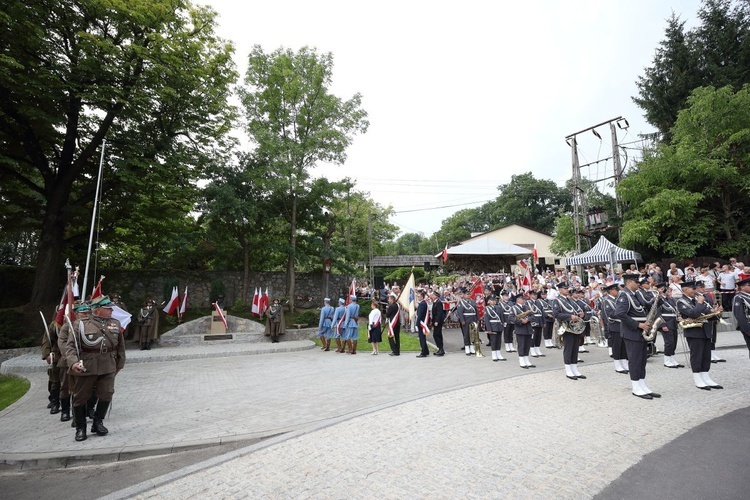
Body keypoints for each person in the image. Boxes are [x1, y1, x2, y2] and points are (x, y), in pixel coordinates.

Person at [65, 295, 126, 442]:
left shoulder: (115, 324)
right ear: (97, 310)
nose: (111, 310)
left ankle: (98, 422)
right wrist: (73, 363)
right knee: (81, 398)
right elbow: (71, 347)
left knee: (106, 394)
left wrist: (119, 364)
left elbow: (120, 347)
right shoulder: (80, 324)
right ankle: (80, 428)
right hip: (87, 366)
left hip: (108, 365)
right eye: (107, 308)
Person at [613, 274, 660, 399]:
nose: (638, 283)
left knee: (642, 360)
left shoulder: (636, 294)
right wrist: (638, 324)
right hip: (632, 332)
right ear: (629, 282)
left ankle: (642, 385)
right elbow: (620, 314)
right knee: (635, 360)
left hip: (641, 331)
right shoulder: (624, 295)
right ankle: (636, 387)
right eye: (636, 281)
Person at [676, 282, 723, 390]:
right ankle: (698, 379)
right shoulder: (681, 302)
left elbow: (706, 313)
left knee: (706, 356)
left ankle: (706, 377)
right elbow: (693, 314)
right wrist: (700, 303)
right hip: (694, 332)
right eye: (692, 289)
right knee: (697, 355)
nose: (695, 291)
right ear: (685, 290)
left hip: (705, 330)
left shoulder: (698, 300)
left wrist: (715, 312)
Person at [552, 283, 586, 380]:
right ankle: (568, 370)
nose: (567, 290)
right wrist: (570, 317)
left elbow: (573, 311)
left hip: (574, 327)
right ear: (560, 290)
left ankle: (574, 369)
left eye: (567, 288)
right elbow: (556, 314)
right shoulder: (557, 300)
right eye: (564, 288)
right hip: (566, 327)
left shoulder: (569, 300)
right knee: (568, 348)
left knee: (575, 348)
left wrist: (579, 314)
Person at [695, 281, 724, 363]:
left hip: (711, 317)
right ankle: (709, 355)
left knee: (713, 336)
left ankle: (713, 353)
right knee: (708, 337)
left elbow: (711, 304)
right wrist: (711, 311)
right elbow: (700, 308)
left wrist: (717, 309)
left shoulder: (706, 295)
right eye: (702, 287)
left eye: (704, 287)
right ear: (697, 288)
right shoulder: (696, 296)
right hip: (705, 318)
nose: (704, 288)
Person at [657, 283, 683, 369]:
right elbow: (658, 313)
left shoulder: (671, 300)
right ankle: (667, 360)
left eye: (670, 291)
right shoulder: (660, 300)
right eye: (668, 291)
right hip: (666, 322)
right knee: (669, 342)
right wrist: (662, 324)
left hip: (673, 322)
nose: (669, 292)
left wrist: (678, 317)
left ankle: (672, 358)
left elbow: (675, 311)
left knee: (674, 342)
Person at [41, 319, 61, 414]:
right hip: (57, 355)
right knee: (55, 381)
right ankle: (55, 403)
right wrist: (47, 354)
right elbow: (46, 340)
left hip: (73, 356)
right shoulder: (55, 324)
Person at [511, 295, 535, 369]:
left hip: (528, 329)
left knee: (527, 345)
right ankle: (521, 361)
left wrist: (528, 319)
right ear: (518, 300)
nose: (524, 300)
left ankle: (527, 360)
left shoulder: (527, 307)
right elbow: (511, 318)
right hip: (520, 329)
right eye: (523, 299)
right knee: (521, 345)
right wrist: (520, 321)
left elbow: (533, 316)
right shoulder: (514, 308)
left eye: (524, 299)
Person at [456, 288, 478, 356]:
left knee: (472, 334)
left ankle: (472, 348)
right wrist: (462, 320)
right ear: (464, 295)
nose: (468, 295)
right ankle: (467, 348)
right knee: (466, 334)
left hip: (473, 319)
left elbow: (476, 311)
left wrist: (477, 319)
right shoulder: (461, 302)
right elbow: (460, 312)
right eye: (466, 294)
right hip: (466, 320)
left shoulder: (473, 302)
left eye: (469, 294)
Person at [484, 295, 506, 361]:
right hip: (492, 326)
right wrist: (489, 329)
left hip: (499, 325)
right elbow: (487, 320)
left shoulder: (499, 308)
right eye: (492, 300)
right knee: (493, 341)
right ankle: (494, 355)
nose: (493, 301)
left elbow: (502, 317)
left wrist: (503, 325)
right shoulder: (487, 308)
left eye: (494, 300)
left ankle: (498, 354)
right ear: (489, 301)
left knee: (499, 341)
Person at [732, 278, 750, 358]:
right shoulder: (739, 297)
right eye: (749, 285)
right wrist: (747, 329)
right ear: (742, 287)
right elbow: (739, 315)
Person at [528, 290, 545, 358]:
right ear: (530, 295)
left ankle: (537, 349)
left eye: (535, 295)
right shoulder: (528, 303)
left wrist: (544, 322)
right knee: (533, 336)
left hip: (540, 320)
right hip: (533, 321)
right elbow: (528, 313)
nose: (535, 296)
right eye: (533, 295)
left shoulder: (538, 302)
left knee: (538, 336)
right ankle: (532, 350)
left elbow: (542, 312)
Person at [430, 290, 445, 356]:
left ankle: (441, 349)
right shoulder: (435, 302)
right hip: (435, 320)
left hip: (438, 321)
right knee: (437, 334)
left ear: (436, 296)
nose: (432, 296)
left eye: (433, 295)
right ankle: (440, 349)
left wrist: (437, 321)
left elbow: (439, 313)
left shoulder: (438, 303)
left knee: (436, 335)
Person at [415, 291, 430, 358]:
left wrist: (417, 323)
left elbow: (420, 315)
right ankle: (426, 351)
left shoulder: (422, 304)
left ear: (422, 297)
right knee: (423, 337)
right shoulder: (424, 303)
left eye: (418, 296)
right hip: (423, 322)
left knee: (422, 338)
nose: (417, 297)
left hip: (421, 323)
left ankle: (423, 352)